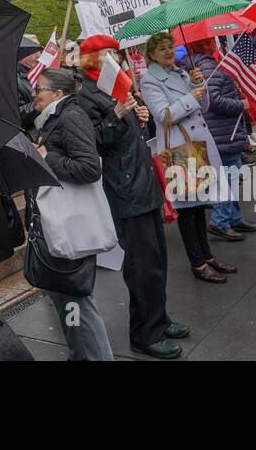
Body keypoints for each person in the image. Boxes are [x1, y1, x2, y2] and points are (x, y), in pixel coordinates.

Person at [76, 34, 188, 359]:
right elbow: (94, 142)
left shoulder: (118, 86)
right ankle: (145, 334)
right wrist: (118, 114)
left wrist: (138, 119)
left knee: (157, 260)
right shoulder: (86, 96)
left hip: (142, 182)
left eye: (116, 53)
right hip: (124, 189)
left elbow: (128, 134)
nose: (116, 58)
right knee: (142, 265)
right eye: (108, 54)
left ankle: (159, 318)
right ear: (92, 59)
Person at [29, 67, 113, 360]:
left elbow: (89, 168)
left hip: (69, 225)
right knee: (66, 298)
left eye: (39, 88)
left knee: (76, 300)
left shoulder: (70, 116)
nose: (33, 93)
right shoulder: (53, 118)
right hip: (62, 224)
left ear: (58, 94)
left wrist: (46, 157)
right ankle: (81, 354)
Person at [140, 32, 235, 286]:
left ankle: (207, 256)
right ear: (151, 54)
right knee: (188, 211)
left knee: (200, 206)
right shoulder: (149, 81)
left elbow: (203, 109)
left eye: (170, 47)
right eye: (162, 49)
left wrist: (198, 86)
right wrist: (189, 97)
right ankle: (198, 263)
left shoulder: (182, 73)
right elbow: (163, 116)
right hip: (180, 149)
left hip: (197, 146)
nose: (169, 52)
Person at [187, 38, 256, 241]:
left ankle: (233, 217)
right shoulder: (208, 66)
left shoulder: (204, 65)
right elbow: (214, 101)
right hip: (221, 132)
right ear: (205, 45)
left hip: (221, 131)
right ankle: (220, 220)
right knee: (228, 177)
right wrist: (240, 105)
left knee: (231, 174)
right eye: (211, 42)